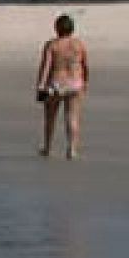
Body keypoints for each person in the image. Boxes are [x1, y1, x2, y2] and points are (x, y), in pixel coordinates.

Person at [37, 14, 89, 159]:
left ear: (57, 28)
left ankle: (47, 148)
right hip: (75, 83)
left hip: (56, 84)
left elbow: (45, 67)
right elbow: (85, 65)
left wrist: (41, 86)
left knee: (50, 118)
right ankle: (72, 149)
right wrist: (85, 82)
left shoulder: (52, 45)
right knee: (72, 117)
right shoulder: (79, 45)